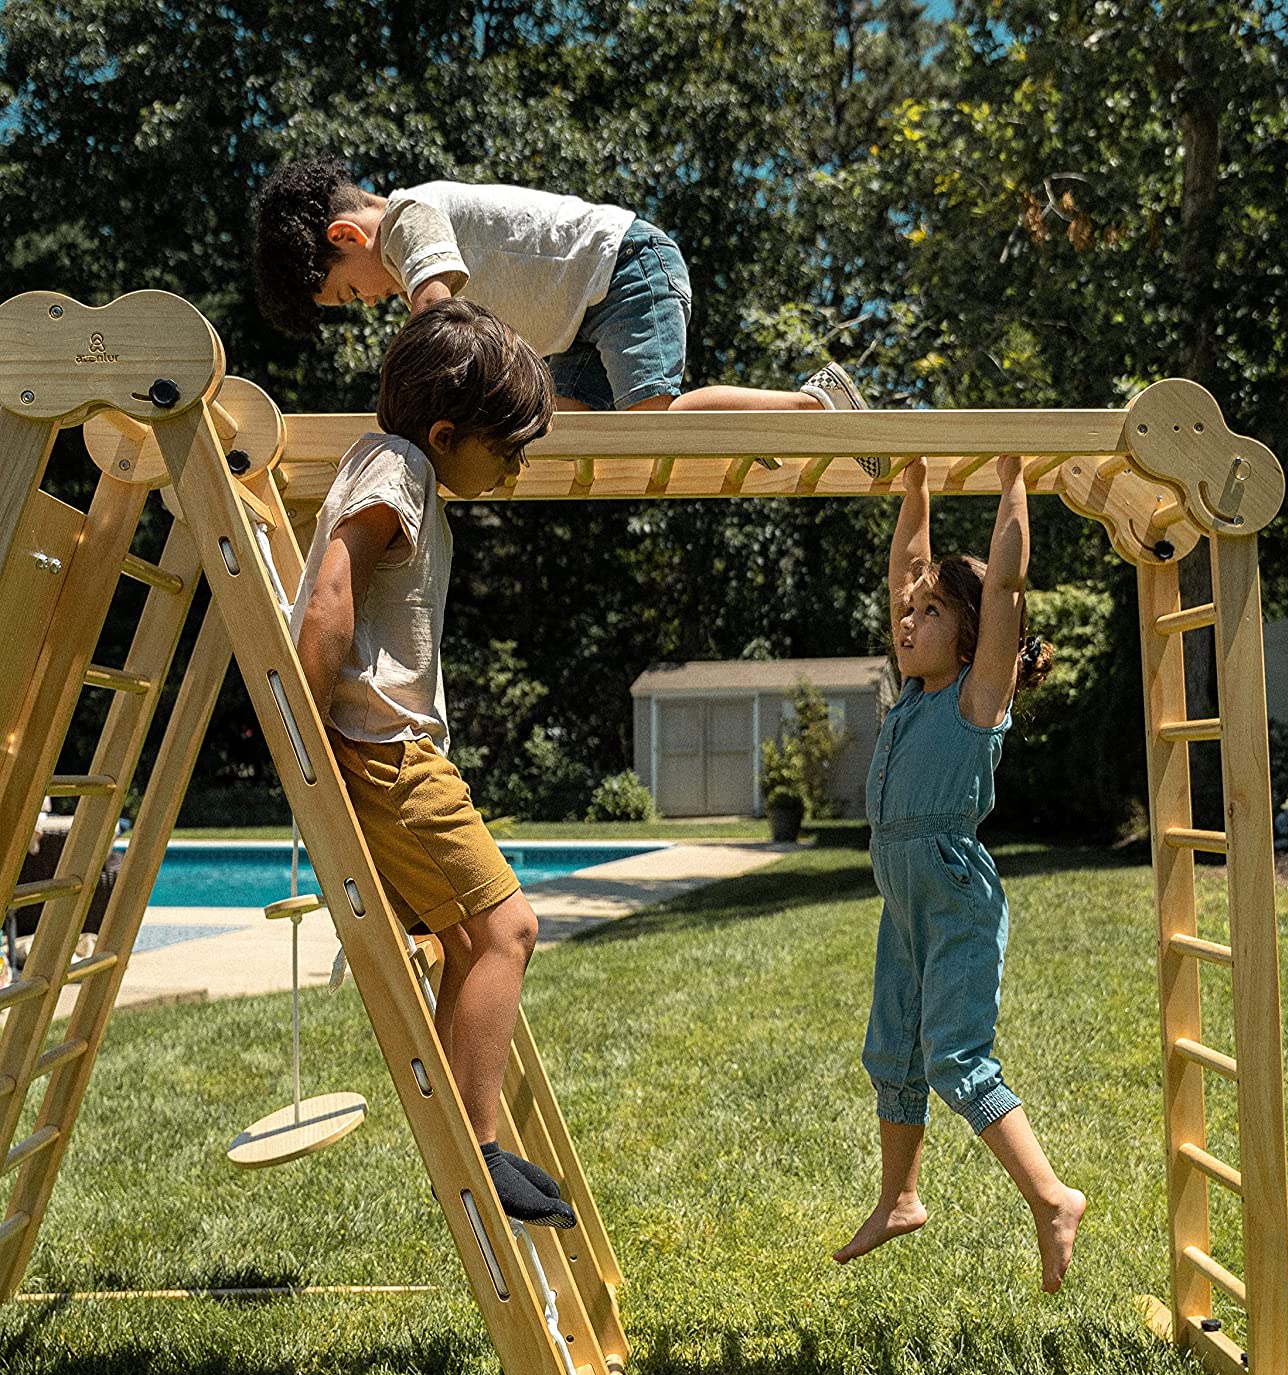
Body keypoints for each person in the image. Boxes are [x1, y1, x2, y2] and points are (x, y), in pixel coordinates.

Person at [290, 296, 574, 1227]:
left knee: (464, 941)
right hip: (384, 755)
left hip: (395, 752)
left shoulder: (411, 471)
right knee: (508, 933)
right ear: (447, 433)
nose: (518, 468)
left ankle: (468, 1131)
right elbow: (333, 586)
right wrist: (304, 731)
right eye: (509, 450)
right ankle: (480, 1150)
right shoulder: (397, 466)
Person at [833, 456, 1086, 1292]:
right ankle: (900, 1197)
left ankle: (1051, 1198)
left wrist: (1013, 475)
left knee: (955, 1059)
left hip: (955, 897)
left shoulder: (977, 698)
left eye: (930, 612)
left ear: (976, 635)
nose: (907, 621)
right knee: (893, 1049)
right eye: (907, 613)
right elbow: (907, 565)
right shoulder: (910, 694)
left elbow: (1008, 585)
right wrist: (916, 492)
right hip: (905, 901)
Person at [250, 159, 889, 476]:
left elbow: (435, 315)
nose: (366, 303)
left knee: (649, 426)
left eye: (349, 296)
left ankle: (811, 405)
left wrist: (410, 417)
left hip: (623, 268)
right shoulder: (403, 235)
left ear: (345, 237)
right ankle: (741, 428)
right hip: (575, 325)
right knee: (552, 432)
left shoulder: (408, 219)